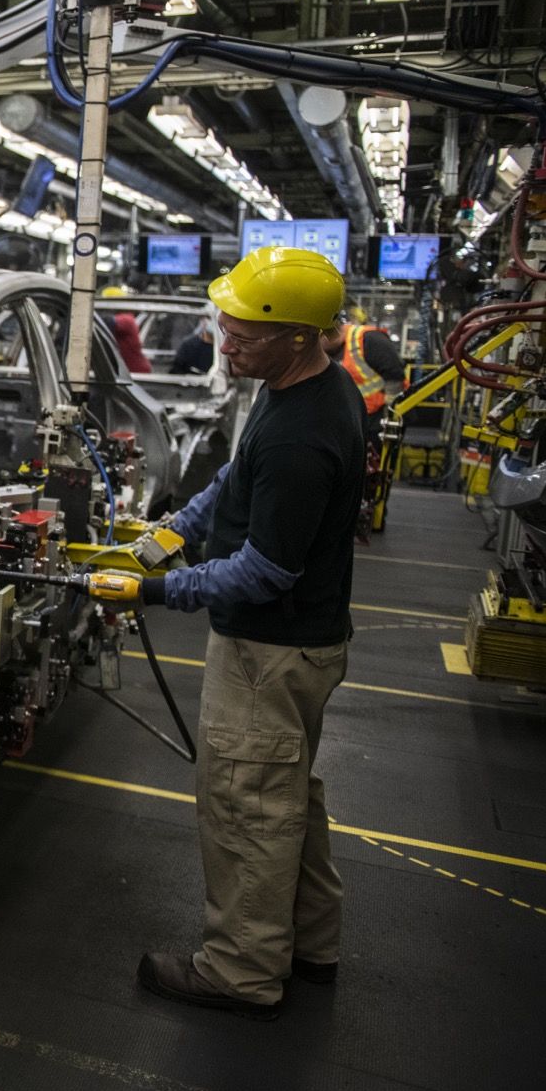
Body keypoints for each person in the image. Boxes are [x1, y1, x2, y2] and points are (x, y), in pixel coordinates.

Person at [129, 247, 365, 1020]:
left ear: (301, 335)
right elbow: (234, 480)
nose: (224, 342)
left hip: (272, 649)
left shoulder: (305, 437)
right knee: (287, 792)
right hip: (295, 644)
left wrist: (156, 589)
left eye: (242, 333)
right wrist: (168, 535)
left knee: (247, 805)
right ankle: (309, 945)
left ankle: (241, 971)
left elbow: (265, 571)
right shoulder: (299, 388)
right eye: (222, 324)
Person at [322, 311, 405, 442]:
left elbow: (395, 376)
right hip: (354, 419)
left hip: (378, 420)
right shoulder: (328, 351)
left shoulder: (368, 339)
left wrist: (389, 417)